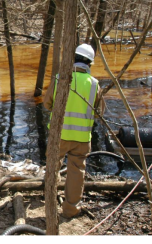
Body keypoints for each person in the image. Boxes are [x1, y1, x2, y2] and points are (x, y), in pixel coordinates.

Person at [42, 44, 105, 218]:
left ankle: (50, 201)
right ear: (90, 63)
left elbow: (47, 104)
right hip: (82, 138)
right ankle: (70, 209)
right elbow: (99, 113)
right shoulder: (94, 84)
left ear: (73, 58)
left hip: (59, 135)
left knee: (53, 167)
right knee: (77, 172)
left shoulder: (60, 78)